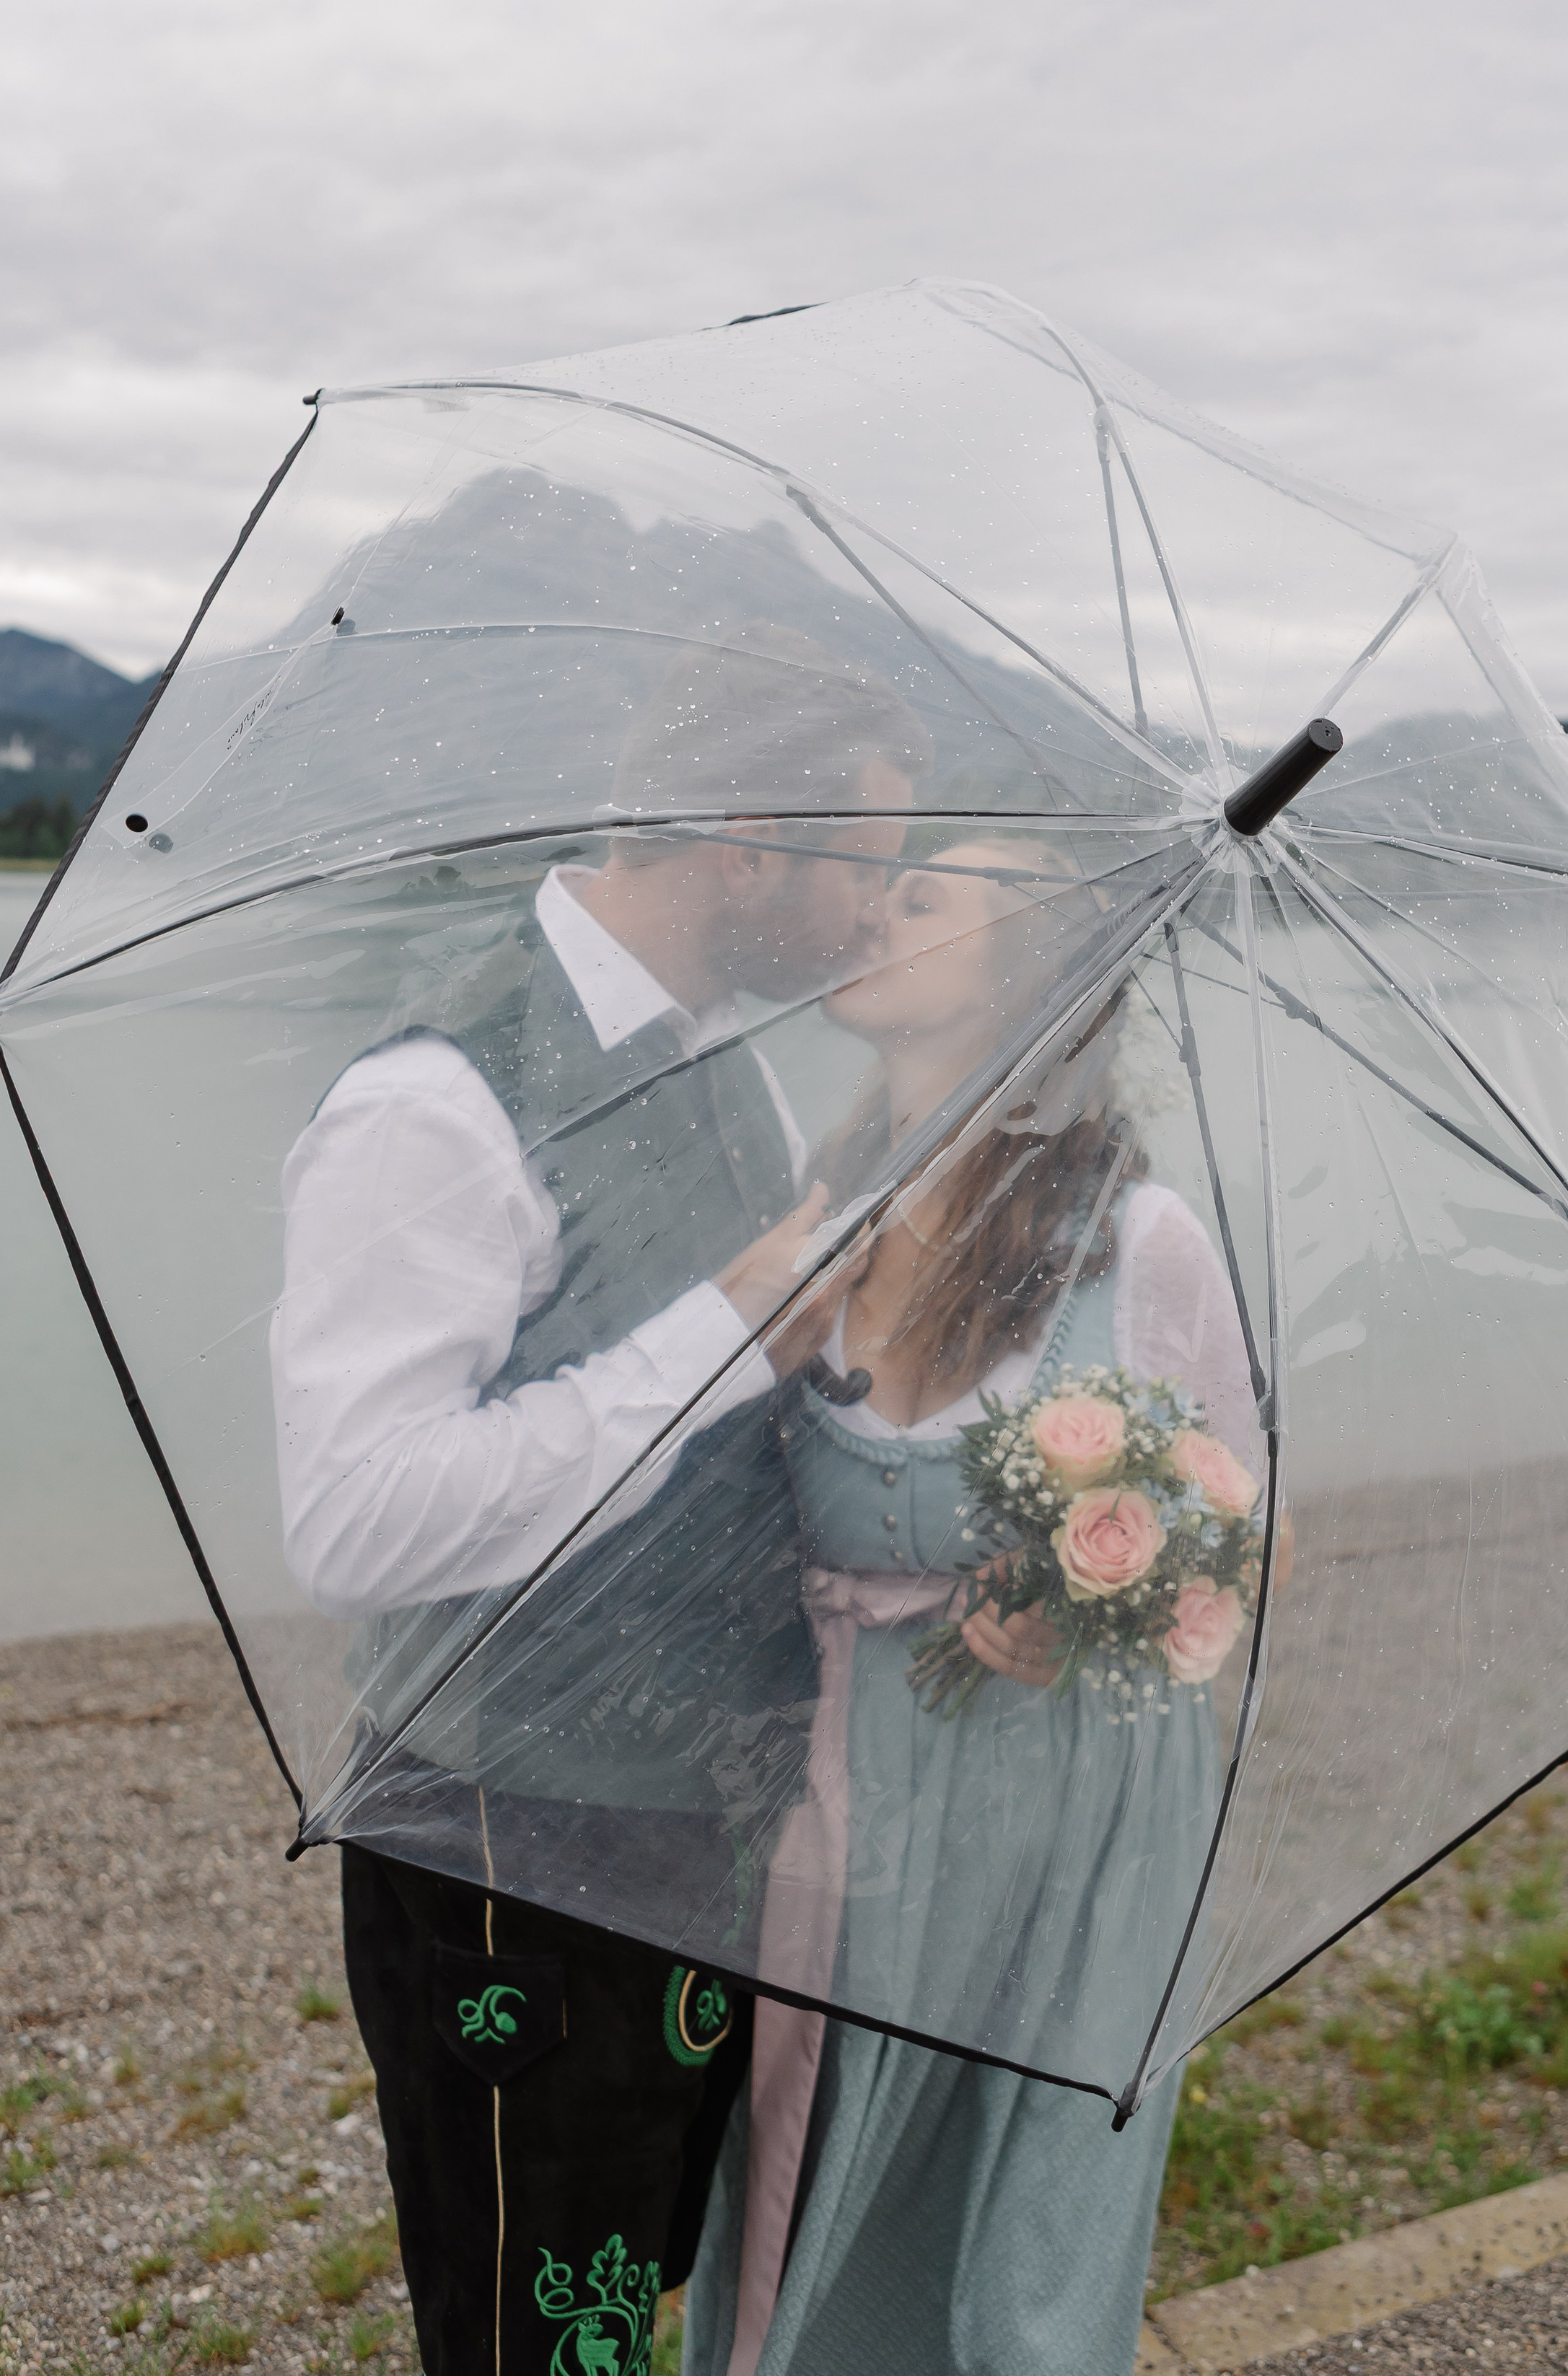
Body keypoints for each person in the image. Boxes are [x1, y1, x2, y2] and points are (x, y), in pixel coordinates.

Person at [270, 621, 927, 2376]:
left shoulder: (738, 1057)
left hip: (700, 1817)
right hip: (505, 1842)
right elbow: (351, 1521)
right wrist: (724, 1331)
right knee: (520, 2334)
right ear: (746, 849)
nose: (879, 919)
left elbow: (764, 1398)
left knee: (632, 2291)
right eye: (864, 873)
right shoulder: (432, 1102)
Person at [681, 836, 1262, 2376]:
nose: (871, 907)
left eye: (924, 897)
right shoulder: (813, 1208)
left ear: (1027, 969)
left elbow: (1228, 1508)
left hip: (1061, 1808)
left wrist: (1088, 1600)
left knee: (1026, 2234)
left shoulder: (1136, 1243)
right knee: (805, 2185)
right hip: (840, 1783)